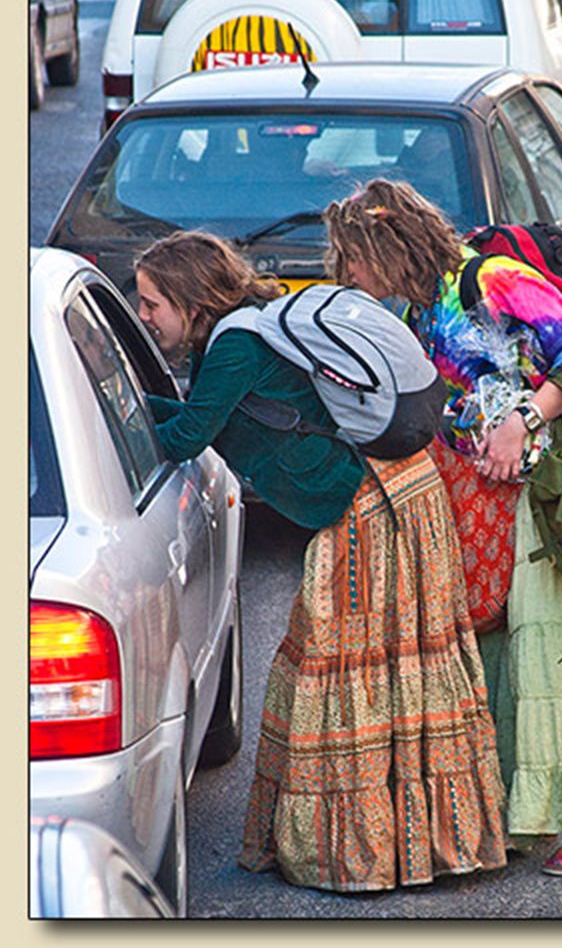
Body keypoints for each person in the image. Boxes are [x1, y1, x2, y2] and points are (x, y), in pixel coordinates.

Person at [133, 229, 507, 893]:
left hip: (368, 505)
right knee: (392, 670)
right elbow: (199, 415)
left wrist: (116, 425)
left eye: (151, 303)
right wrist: (130, 406)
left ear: (190, 303)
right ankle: (418, 842)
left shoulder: (235, 347)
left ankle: (373, 853)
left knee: (344, 668)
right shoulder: (244, 332)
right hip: (391, 488)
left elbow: (187, 435)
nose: (144, 316)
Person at [323, 179, 562, 876]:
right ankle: (521, 804)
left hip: (549, 476)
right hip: (480, 488)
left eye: (351, 258)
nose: (345, 272)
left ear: (386, 247)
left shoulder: (492, 277)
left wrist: (522, 421)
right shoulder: (420, 306)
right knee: (499, 645)